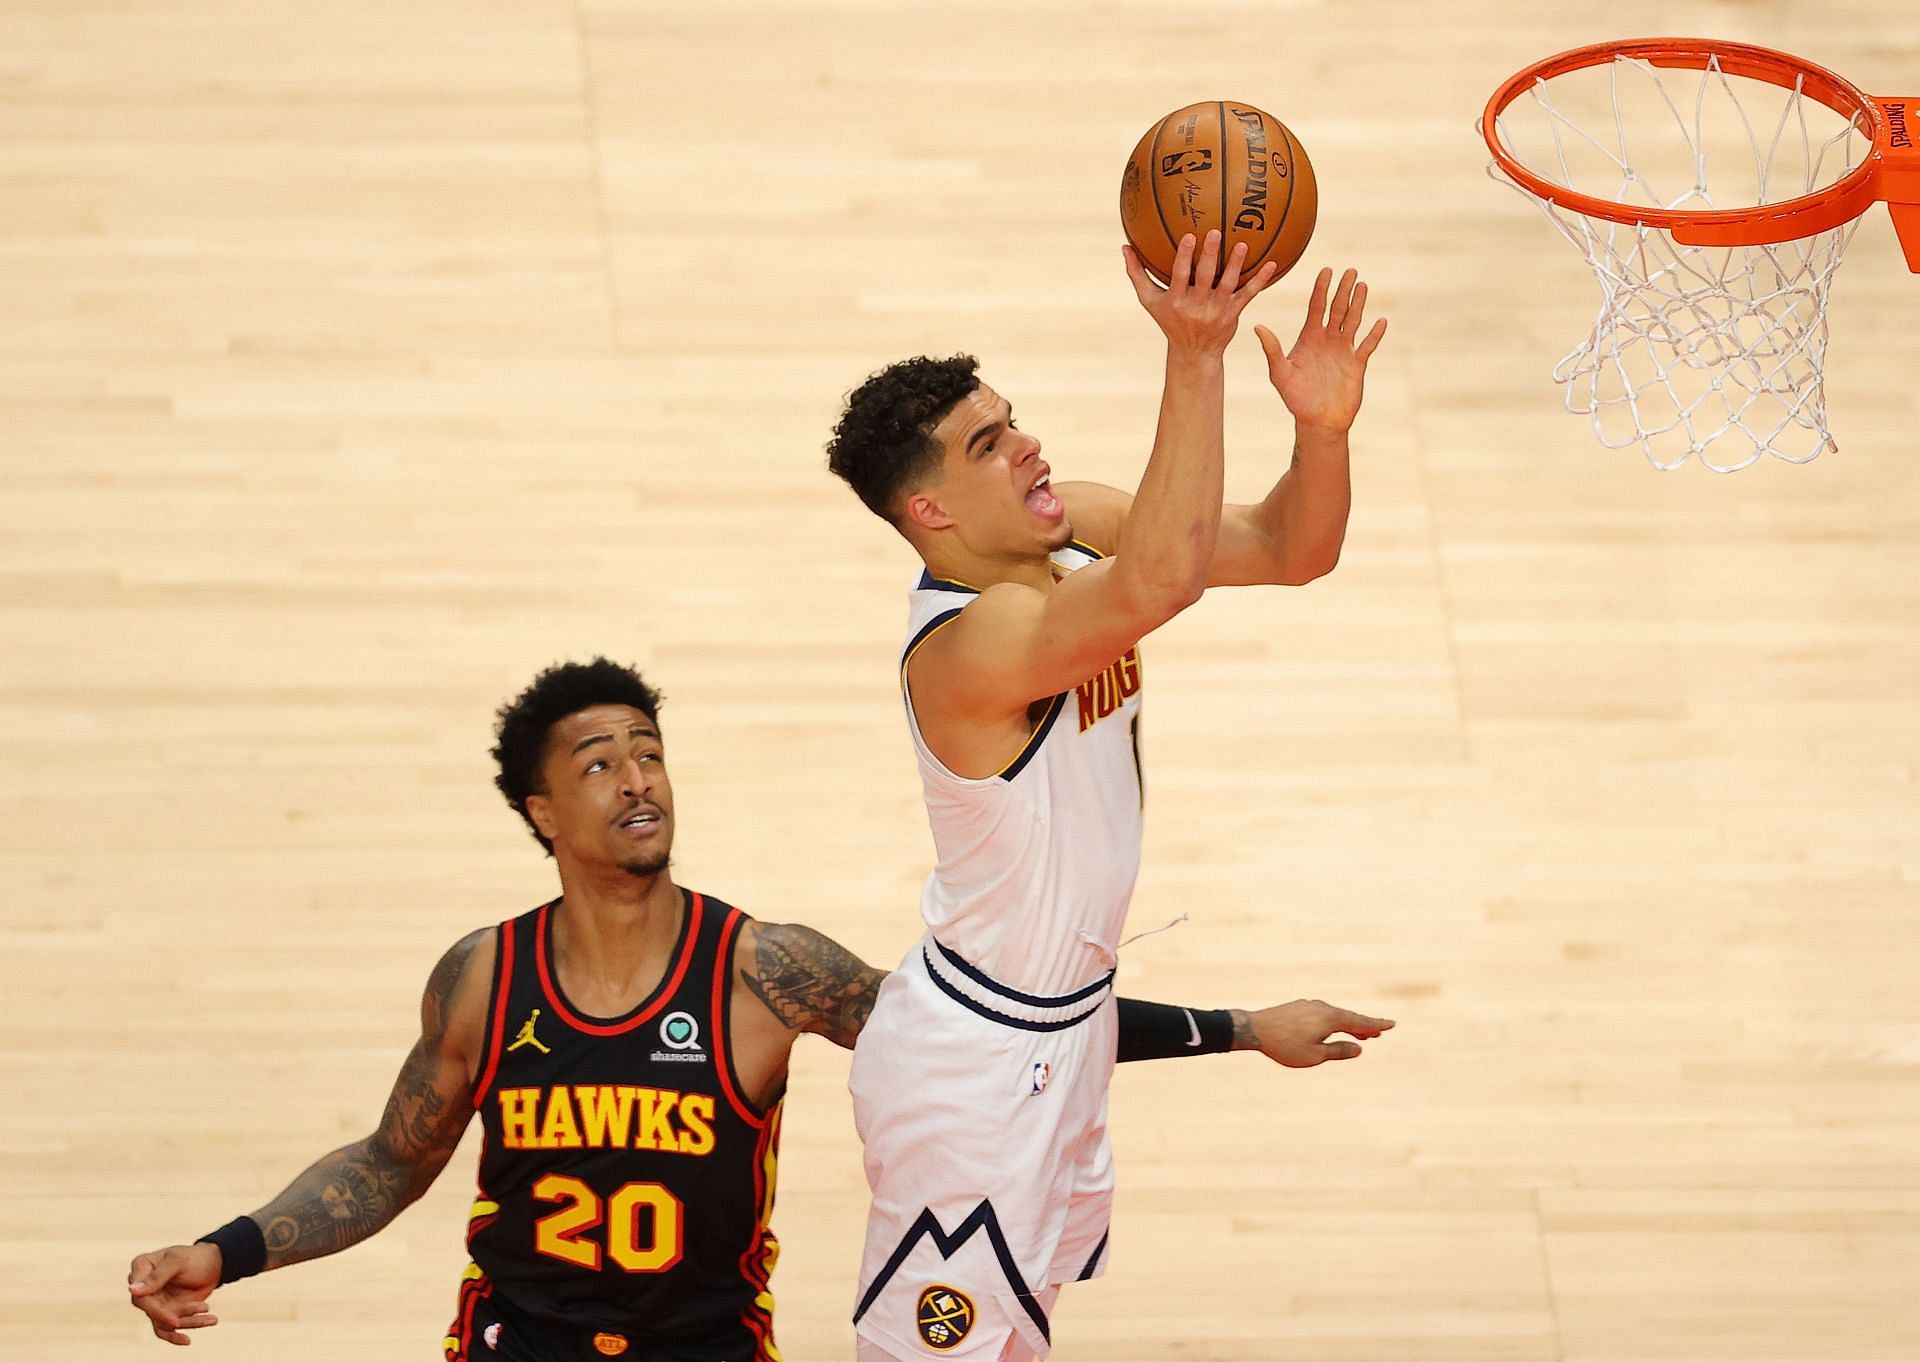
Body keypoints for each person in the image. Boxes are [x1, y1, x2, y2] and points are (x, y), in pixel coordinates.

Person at [125, 657, 1393, 1359]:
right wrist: (226, 1249)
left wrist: (1238, 1028)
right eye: (598, 762)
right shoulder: (481, 976)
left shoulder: (766, 971)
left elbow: (998, 1043)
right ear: (540, 814)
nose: (637, 779)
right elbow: (387, 1165)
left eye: (649, 750)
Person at [825, 231, 1390, 1360]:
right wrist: (1196, 352)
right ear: (931, 514)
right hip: (974, 1081)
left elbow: (1292, 549)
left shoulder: (1068, 527)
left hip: (1058, 1029)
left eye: (1012, 416)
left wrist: (1321, 431)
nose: (1027, 443)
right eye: (988, 444)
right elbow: (1165, 579)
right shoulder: (973, 648)